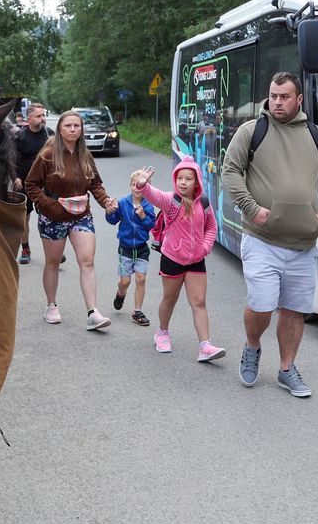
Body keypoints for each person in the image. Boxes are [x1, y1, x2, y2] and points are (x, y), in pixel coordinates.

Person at [221, 71, 318, 396]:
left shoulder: (317, 136)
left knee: (293, 310)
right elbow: (230, 170)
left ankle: (286, 369)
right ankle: (252, 346)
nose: (277, 102)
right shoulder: (253, 131)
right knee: (261, 306)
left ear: (299, 99)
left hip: (304, 243)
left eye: (284, 96)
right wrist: (251, 208)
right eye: (273, 96)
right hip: (263, 240)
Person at [25, 110, 119, 329]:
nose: (73, 129)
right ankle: (51, 306)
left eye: (77, 126)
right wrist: (49, 206)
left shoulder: (84, 154)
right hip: (53, 217)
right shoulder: (48, 154)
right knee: (53, 263)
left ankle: (93, 312)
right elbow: (31, 185)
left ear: (81, 129)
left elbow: (95, 184)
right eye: (68, 126)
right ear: (60, 129)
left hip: (81, 216)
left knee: (87, 261)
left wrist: (105, 202)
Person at [131, 159, 225, 362]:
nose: (183, 182)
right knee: (169, 299)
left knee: (199, 302)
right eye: (180, 178)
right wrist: (142, 184)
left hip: (196, 260)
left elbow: (211, 228)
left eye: (188, 179)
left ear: (197, 181)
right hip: (172, 258)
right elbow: (151, 194)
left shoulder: (204, 203)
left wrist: (205, 247)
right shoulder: (170, 201)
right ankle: (162, 333)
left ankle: (205, 345)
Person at [104, 170, 158, 327]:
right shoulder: (123, 203)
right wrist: (109, 211)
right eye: (134, 184)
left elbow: (152, 225)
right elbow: (112, 220)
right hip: (126, 248)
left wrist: (143, 217)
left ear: (146, 187)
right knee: (125, 282)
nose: (137, 187)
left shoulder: (148, 205)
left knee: (141, 279)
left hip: (141, 248)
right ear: (130, 186)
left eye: (140, 185)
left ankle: (137, 311)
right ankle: (120, 293)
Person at [12, 103, 53, 264]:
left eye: (43, 115)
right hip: (24, 184)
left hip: (45, 185)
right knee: (24, 219)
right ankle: (26, 249)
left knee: (49, 219)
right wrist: (15, 177)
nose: (43, 119)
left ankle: (52, 252)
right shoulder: (20, 136)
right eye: (38, 116)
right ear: (29, 119)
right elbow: (11, 159)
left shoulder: (48, 134)